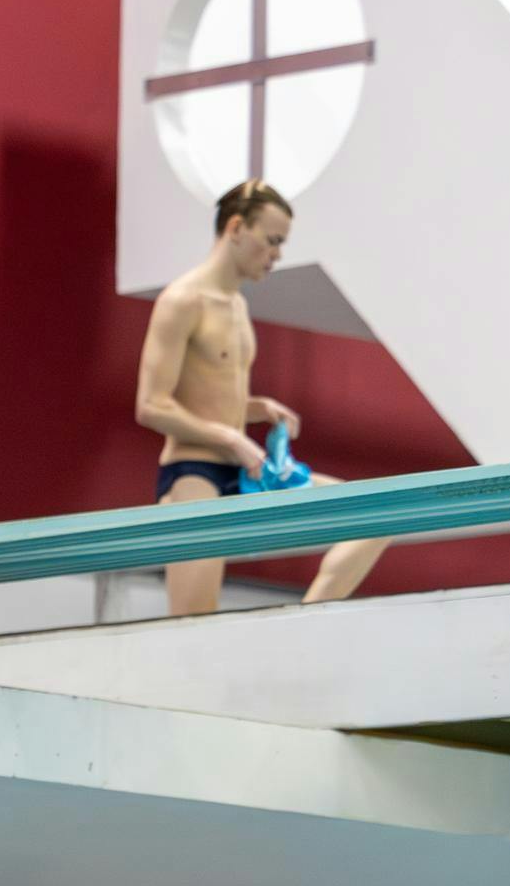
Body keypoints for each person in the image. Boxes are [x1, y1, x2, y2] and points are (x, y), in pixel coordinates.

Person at [134, 180, 390, 616]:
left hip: (249, 467)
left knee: (373, 516)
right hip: (195, 473)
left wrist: (255, 408)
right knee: (193, 623)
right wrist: (231, 438)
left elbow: (206, 389)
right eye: (272, 241)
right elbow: (151, 405)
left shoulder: (235, 306)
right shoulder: (183, 300)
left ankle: (305, 623)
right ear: (236, 227)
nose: (277, 255)